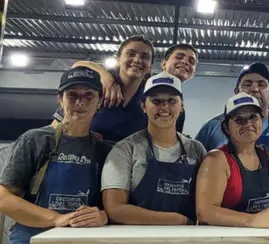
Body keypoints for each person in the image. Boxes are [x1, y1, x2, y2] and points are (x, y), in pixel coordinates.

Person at [0, 68, 112, 244]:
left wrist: (104, 216)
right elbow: (4, 197)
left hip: (82, 238)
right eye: (72, 95)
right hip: (32, 238)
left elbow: (114, 203)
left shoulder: (104, 150)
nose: (80, 102)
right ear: (60, 99)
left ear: (99, 102)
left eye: (89, 96)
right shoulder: (35, 140)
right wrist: (56, 219)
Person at [101, 73, 205, 225]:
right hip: (139, 236)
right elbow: (115, 209)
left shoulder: (196, 150)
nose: (164, 107)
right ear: (143, 106)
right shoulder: (125, 149)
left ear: (181, 106)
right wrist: (178, 220)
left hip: (186, 236)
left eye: (172, 100)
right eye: (156, 101)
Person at [53, 41, 199, 142]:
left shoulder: (174, 108)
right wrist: (105, 76)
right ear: (163, 64)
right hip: (87, 161)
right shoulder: (103, 87)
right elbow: (79, 65)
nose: (185, 62)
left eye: (191, 61)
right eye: (179, 57)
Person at [195, 93, 269, 228]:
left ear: (261, 121)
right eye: (239, 119)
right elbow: (205, 212)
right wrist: (251, 220)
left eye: (253, 117)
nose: (248, 123)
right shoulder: (217, 159)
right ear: (227, 127)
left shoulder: (266, 157)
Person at [195, 63, 269, 157]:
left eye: (261, 85)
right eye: (247, 85)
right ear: (236, 91)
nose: (255, 89)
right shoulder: (211, 128)